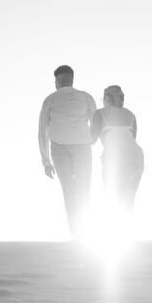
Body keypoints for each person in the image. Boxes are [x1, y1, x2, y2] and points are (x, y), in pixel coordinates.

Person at [38, 65, 97, 238]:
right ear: (72, 79)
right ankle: (87, 231)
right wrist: (93, 141)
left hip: (59, 148)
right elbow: (95, 122)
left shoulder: (50, 99)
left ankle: (77, 232)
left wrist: (46, 161)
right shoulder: (85, 97)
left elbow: (43, 132)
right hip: (82, 146)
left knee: (69, 190)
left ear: (57, 81)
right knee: (84, 188)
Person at [91, 85, 144, 216]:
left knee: (113, 194)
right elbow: (131, 138)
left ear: (107, 98)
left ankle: (116, 230)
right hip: (135, 158)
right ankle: (127, 230)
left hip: (114, 158)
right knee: (128, 197)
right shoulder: (131, 115)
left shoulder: (100, 113)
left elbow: (91, 139)